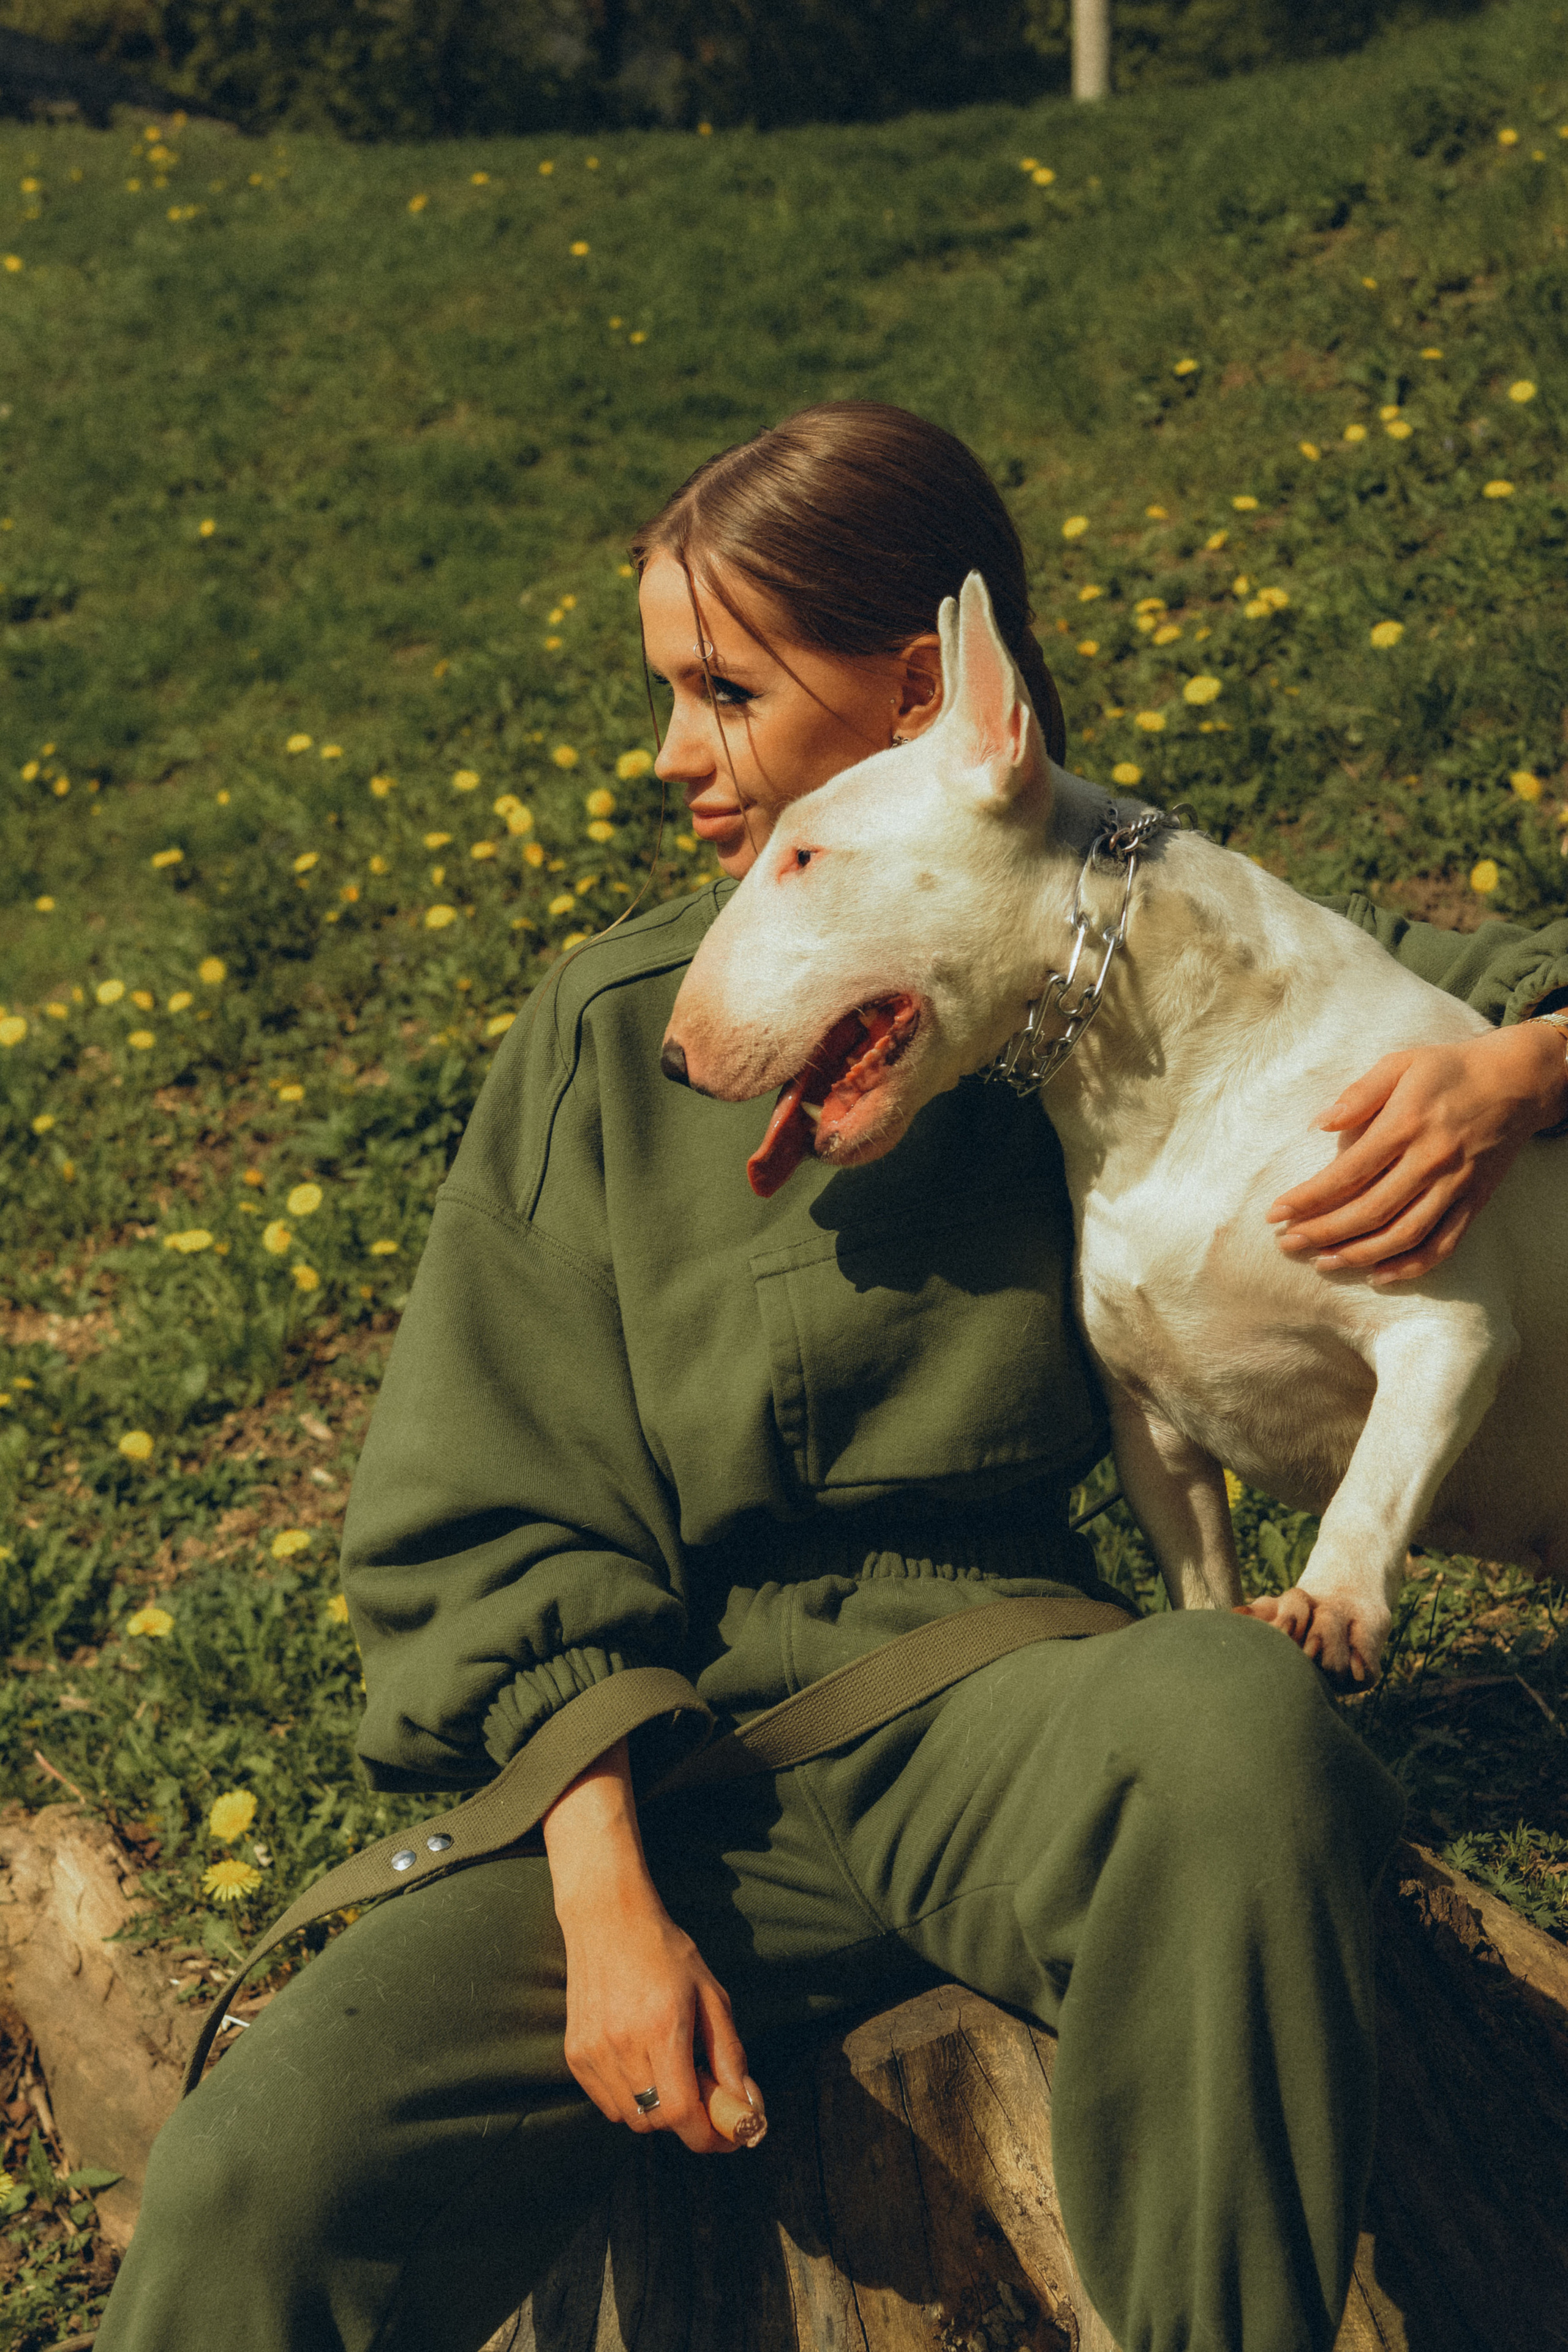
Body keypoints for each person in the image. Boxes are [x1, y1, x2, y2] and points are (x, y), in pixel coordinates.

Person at [96, 402, 1568, 2352]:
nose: (670, 756)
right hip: (671, 1787)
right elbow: (500, 1498)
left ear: (913, 705)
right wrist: (609, 1903)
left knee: (1231, 1723)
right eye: (662, 692)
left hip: (1013, 1726)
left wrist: (1512, 1071)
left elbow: (1472, 980)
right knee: (263, 2162)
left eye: (721, 688)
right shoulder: (621, 1032)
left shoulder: (1134, 944)